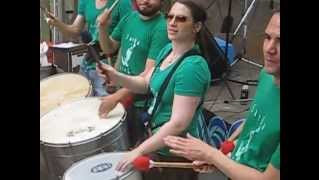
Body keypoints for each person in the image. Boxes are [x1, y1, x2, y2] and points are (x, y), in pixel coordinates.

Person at [96, 1, 212, 179]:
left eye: (181, 19)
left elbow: (178, 123)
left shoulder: (192, 67)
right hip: (157, 143)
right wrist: (116, 76)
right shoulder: (167, 51)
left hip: (174, 156)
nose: (172, 22)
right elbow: (144, 83)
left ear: (196, 26)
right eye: (170, 17)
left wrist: (139, 150)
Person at [164, 9, 280, 180]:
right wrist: (222, 153)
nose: (269, 49)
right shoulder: (267, 75)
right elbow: (254, 121)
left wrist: (212, 155)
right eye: (267, 38)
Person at [96, 0, 170, 147]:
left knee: (131, 151)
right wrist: (103, 28)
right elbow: (109, 48)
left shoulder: (162, 28)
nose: (145, 1)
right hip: (121, 95)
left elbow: (148, 75)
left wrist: (117, 97)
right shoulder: (130, 18)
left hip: (140, 104)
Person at [45, 0, 133, 96]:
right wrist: (58, 24)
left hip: (107, 68)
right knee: (83, 104)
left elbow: (127, 41)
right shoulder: (85, 1)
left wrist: (116, 73)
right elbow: (75, 30)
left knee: (103, 107)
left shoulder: (123, 3)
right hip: (88, 62)